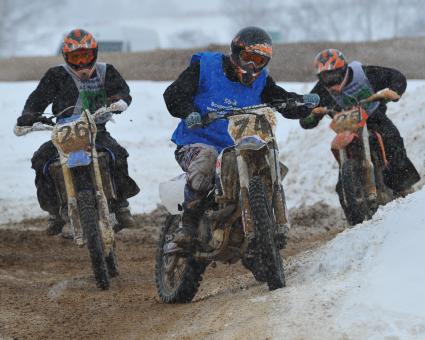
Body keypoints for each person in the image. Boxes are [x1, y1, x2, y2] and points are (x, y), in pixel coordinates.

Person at [163, 26, 319, 247]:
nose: (252, 66)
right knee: (206, 159)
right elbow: (174, 94)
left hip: (238, 147)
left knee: (268, 161)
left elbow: (278, 98)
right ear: (236, 52)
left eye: (259, 61)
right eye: (248, 58)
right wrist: (190, 112)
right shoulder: (205, 67)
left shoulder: (261, 81)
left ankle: (265, 225)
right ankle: (188, 226)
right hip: (197, 143)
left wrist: (301, 103)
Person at [16, 28, 140, 235]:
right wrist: (29, 115)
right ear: (67, 57)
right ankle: (54, 212)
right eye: (76, 57)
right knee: (41, 160)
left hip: (96, 131)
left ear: (94, 54)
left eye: (86, 56)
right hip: (64, 133)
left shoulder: (106, 71)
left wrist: (120, 101)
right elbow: (37, 99)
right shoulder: (56, 75)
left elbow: (122, 91)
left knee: (117, 154)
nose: (82, 63)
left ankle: (121, 205)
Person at [300, 48, 420, 216]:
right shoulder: (321, 90)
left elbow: (396, 77)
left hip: (373, 116)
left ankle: (404, 187)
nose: (330, 80)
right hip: (346, 124)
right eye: (325, 77)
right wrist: (309, 116)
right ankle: (351, 212)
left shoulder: (363, 74)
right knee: (343, 169)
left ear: (343, 69)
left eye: (333, 75)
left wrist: (394, 91)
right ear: (320, 78)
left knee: (392, 138)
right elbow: (307, 114)